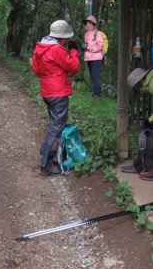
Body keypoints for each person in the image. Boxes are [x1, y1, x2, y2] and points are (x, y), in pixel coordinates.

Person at [31, 20, 81, 175]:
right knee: (56, 128)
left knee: (54, 125)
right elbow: (73, 67)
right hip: (58, 92)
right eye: (66, 39)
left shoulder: (40, 48)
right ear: (62, 37)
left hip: (47, 91)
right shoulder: (56, 49)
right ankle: (46, 164)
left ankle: (47, 150)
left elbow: (37, 71)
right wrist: (73, 50)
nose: (67, 41)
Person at [81, 15, 104, 99]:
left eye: (90, 23)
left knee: (95, 76)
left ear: (94, 24)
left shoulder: (98, 33)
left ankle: (97, 94)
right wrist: (84, 47)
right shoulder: (86, 34)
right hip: (89, 57)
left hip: (96, 57)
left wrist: (88, 48)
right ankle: (95, 93)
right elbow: (86, 45)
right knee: (92, 76)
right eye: (87, 23)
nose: (88, 25)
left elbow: (99, 45)